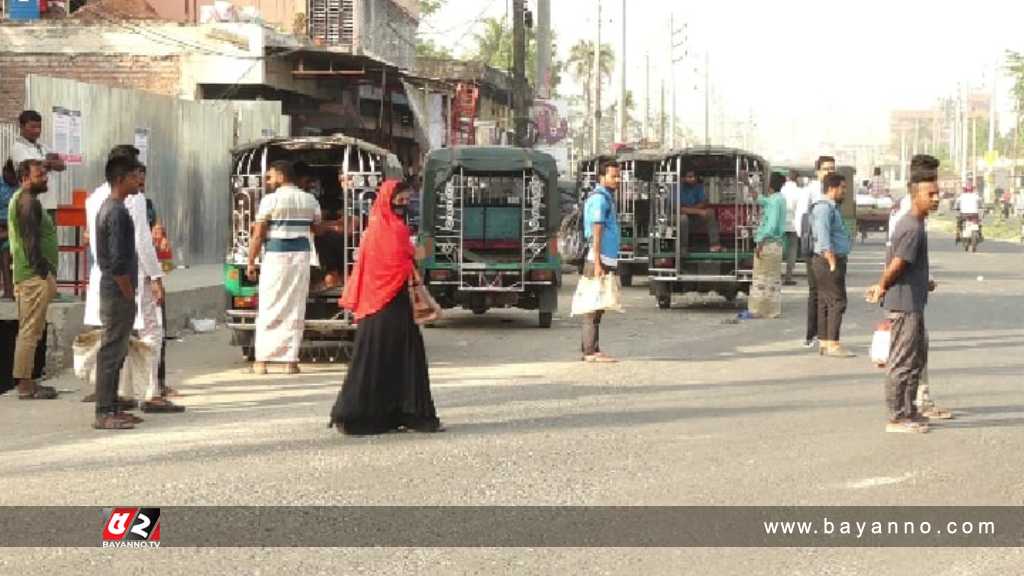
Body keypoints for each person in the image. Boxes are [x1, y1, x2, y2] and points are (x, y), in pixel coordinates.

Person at [329, 180, 442, 435]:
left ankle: (362, 416)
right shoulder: (395, 229)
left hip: (374, 305)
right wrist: (422, 252)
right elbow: (405, 260)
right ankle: (411, 414)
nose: (403, 205)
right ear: (388, 200)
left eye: (406, 200)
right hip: (393, 303)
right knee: (405, 357)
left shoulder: (374, 228)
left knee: (372, 359)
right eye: (400, 200)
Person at [866, 155, 943, 434]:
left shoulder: (917, 223)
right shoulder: (910, 225)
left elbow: (909, 264)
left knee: (915, 359)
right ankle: (897, 417)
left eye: (937, 194)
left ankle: (910, 411)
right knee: (901, 361)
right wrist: (882, 285)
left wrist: (926, 281)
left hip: (914, 299)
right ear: (915, 195)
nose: (935, 199)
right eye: (930, 194)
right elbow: (898, 262)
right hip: (904, 303)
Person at [83, 145, 145, 409]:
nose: (139, 180)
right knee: (112, 349)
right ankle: (105, 410)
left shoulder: (113, 207)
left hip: (114, 288)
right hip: (117, 290)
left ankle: (111, 401)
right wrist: (129, 292)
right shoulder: (116, 211)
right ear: (120, 180)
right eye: (133, 176)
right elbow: (118, 262)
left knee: (116, 348)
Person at [247, 160, 322, 375]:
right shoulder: (310, 200)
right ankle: (290, 361)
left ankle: (262, 361)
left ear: (281, 176)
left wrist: (251, 261)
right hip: (301, 257)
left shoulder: (270, 201)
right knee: (295, 306)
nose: (268, 181)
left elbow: (259, 234)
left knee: (269, 305)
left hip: (276, 256)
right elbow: (316, 228)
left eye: (270, 176)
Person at [124, 166, 183, 413]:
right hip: (140, 276)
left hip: (127, 277)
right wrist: (155, 277)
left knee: (131, 335)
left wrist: (159, 231)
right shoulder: (134, 201)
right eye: (138, 176)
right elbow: (142, 242)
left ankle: (134, 391)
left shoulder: (141, 202)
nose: (142, 181)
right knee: (153, 333)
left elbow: (154, 230)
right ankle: (151, 393)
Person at [7, 159, 59, 400]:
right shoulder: (27, 202)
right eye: (40, 175)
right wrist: (43, 272)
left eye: (45, 174)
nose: (45, 178)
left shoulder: (25, 199)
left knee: (31, 330)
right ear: (25, 178)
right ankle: (25, 385)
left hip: (31, 276)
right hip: (32, 277)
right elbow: (30, 241)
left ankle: (28, 380)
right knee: (29, 331)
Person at [581, 160, 622, 363]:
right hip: (598, 258)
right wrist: (597, 263)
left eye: (618, 176)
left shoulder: (607, 198)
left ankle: (593, 349)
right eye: (613, 176)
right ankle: (590, 351)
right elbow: (597, 232)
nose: (617, 179)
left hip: (605, 258)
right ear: (601, 177)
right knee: (593, 304)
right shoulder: (600, 199)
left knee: (599, 305)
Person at [794, 155, 836, 348]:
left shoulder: (833, 191)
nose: (830, 172)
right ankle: (811, 335)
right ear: (817, 171)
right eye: (826, 168)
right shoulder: (810, 192)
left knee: (828, 292)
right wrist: (808, 243)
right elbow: (801, 220)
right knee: (815, 292)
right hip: (813, 249)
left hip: (829, 249)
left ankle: (825, 334)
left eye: (832, 169)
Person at [811, 172, 853, 358]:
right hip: (828, 260)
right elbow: (823, 234)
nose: (844, 191)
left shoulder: (830, 207)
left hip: (827, 259)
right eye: (842, 188)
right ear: (832, 188)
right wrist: (831, 259)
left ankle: (825, 341)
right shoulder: (824, 208)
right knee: (836, 301)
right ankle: (833, 344)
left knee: (825, 302)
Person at [748, 173, 787, 319]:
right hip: (775, 244)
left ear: (769, 185)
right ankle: (770, 310)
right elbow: (759, 199)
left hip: (769, 243)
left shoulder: (775, 202)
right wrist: (748, 183)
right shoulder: (777, 199)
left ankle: (760, 310)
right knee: (771, 279)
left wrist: (761, 243)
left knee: (763, 278)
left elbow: (771, 226)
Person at [10, 110, 66, 211]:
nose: (37, 131)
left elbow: (62, 165)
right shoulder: (18, 148)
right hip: (31, 206)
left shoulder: (42, 147)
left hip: (49, 204)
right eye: (32, 127)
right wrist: (47, 161)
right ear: (22, 127)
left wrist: (45, 163)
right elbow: (34, 168)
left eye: (39, 127)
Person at [678, 170, 722, 254]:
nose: (693, 179)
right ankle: (683, 247)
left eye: (694, 177)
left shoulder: (698, 187)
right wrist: (697, 211)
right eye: (689, 177)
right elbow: (679, 209)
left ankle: (715, 245)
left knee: (710, 212)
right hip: (677, 218)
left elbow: (703, 203)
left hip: (694, 217)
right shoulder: (678, 188)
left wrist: (691, 209)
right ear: (683, 178)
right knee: (683, 218)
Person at [779, 169, 802, 285]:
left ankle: (776, 275)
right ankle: (788, 276)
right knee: (792, 250)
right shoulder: (799, 191)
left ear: (788, 177)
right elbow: (801, 210)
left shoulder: (781, 190)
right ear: (797, 178)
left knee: (779, 248)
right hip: (793, 224)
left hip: (780, 224)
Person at [0, 160, 17, 300]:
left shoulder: (20, 186)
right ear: (4, 172)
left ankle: (8, 292)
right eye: (11, 176)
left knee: (6, 255)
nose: (13, 179)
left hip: (14, 228)